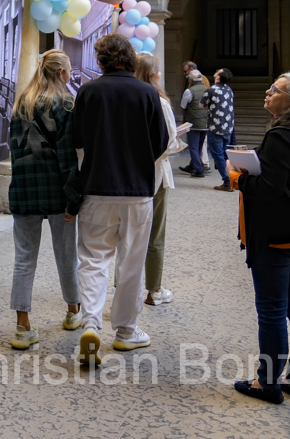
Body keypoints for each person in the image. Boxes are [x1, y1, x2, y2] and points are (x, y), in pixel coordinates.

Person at [227, 73, 290, 404]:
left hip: (275, 236)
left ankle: (267, 383)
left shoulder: (281, 136)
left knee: (271, 310)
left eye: (276, 90)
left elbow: (269, 188)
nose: (268, 93)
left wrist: (237, 178)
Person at [71, 34, 169, 364]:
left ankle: (91, 325)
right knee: (131, 263)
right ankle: (126, 331)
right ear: (131, 58)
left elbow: (77, 140)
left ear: (99, 59)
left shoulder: (88, 91)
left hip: (97, 187)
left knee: (93, 259)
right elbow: (161, 142)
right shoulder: (147, 93)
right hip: (138, 191)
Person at [7, 50, 82, 350]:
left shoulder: (21, 104)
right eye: (69, 70)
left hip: (24, 190)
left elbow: (14, 152)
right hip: (56, 192)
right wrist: (73, 198)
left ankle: (22, 327)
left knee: (24, 258)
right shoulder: (65, 104)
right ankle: (72, 311)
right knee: (67, 256)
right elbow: (67, 158)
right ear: (62, 72)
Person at [133, 53, 184, 305]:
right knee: (155, 234)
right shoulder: (160, 101)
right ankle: (154, 290)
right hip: (155, 175)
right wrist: (179, 141)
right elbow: (167, 143)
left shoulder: (129, 96)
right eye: (159, 70)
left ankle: (126, 288)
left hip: (129, 175)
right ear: (153, 73)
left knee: (130, 235)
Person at [201, 67, 235, 191]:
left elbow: (202, 104)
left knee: (218, 155)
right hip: (228, 127)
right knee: (225, 155)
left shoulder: (211, 90)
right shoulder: (229, 90)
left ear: (218, 77)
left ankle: (227, 182)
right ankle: (231, 179)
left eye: (217, 72)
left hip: (215, 127)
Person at [179, 69, 209, 178]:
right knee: (199, 146)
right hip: (206, 123)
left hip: (193, 123)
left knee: (193, 147)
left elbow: (183, 106)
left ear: (191, 80)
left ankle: (199, 170)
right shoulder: (208, 90)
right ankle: (193, 165)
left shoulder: (189, 91)